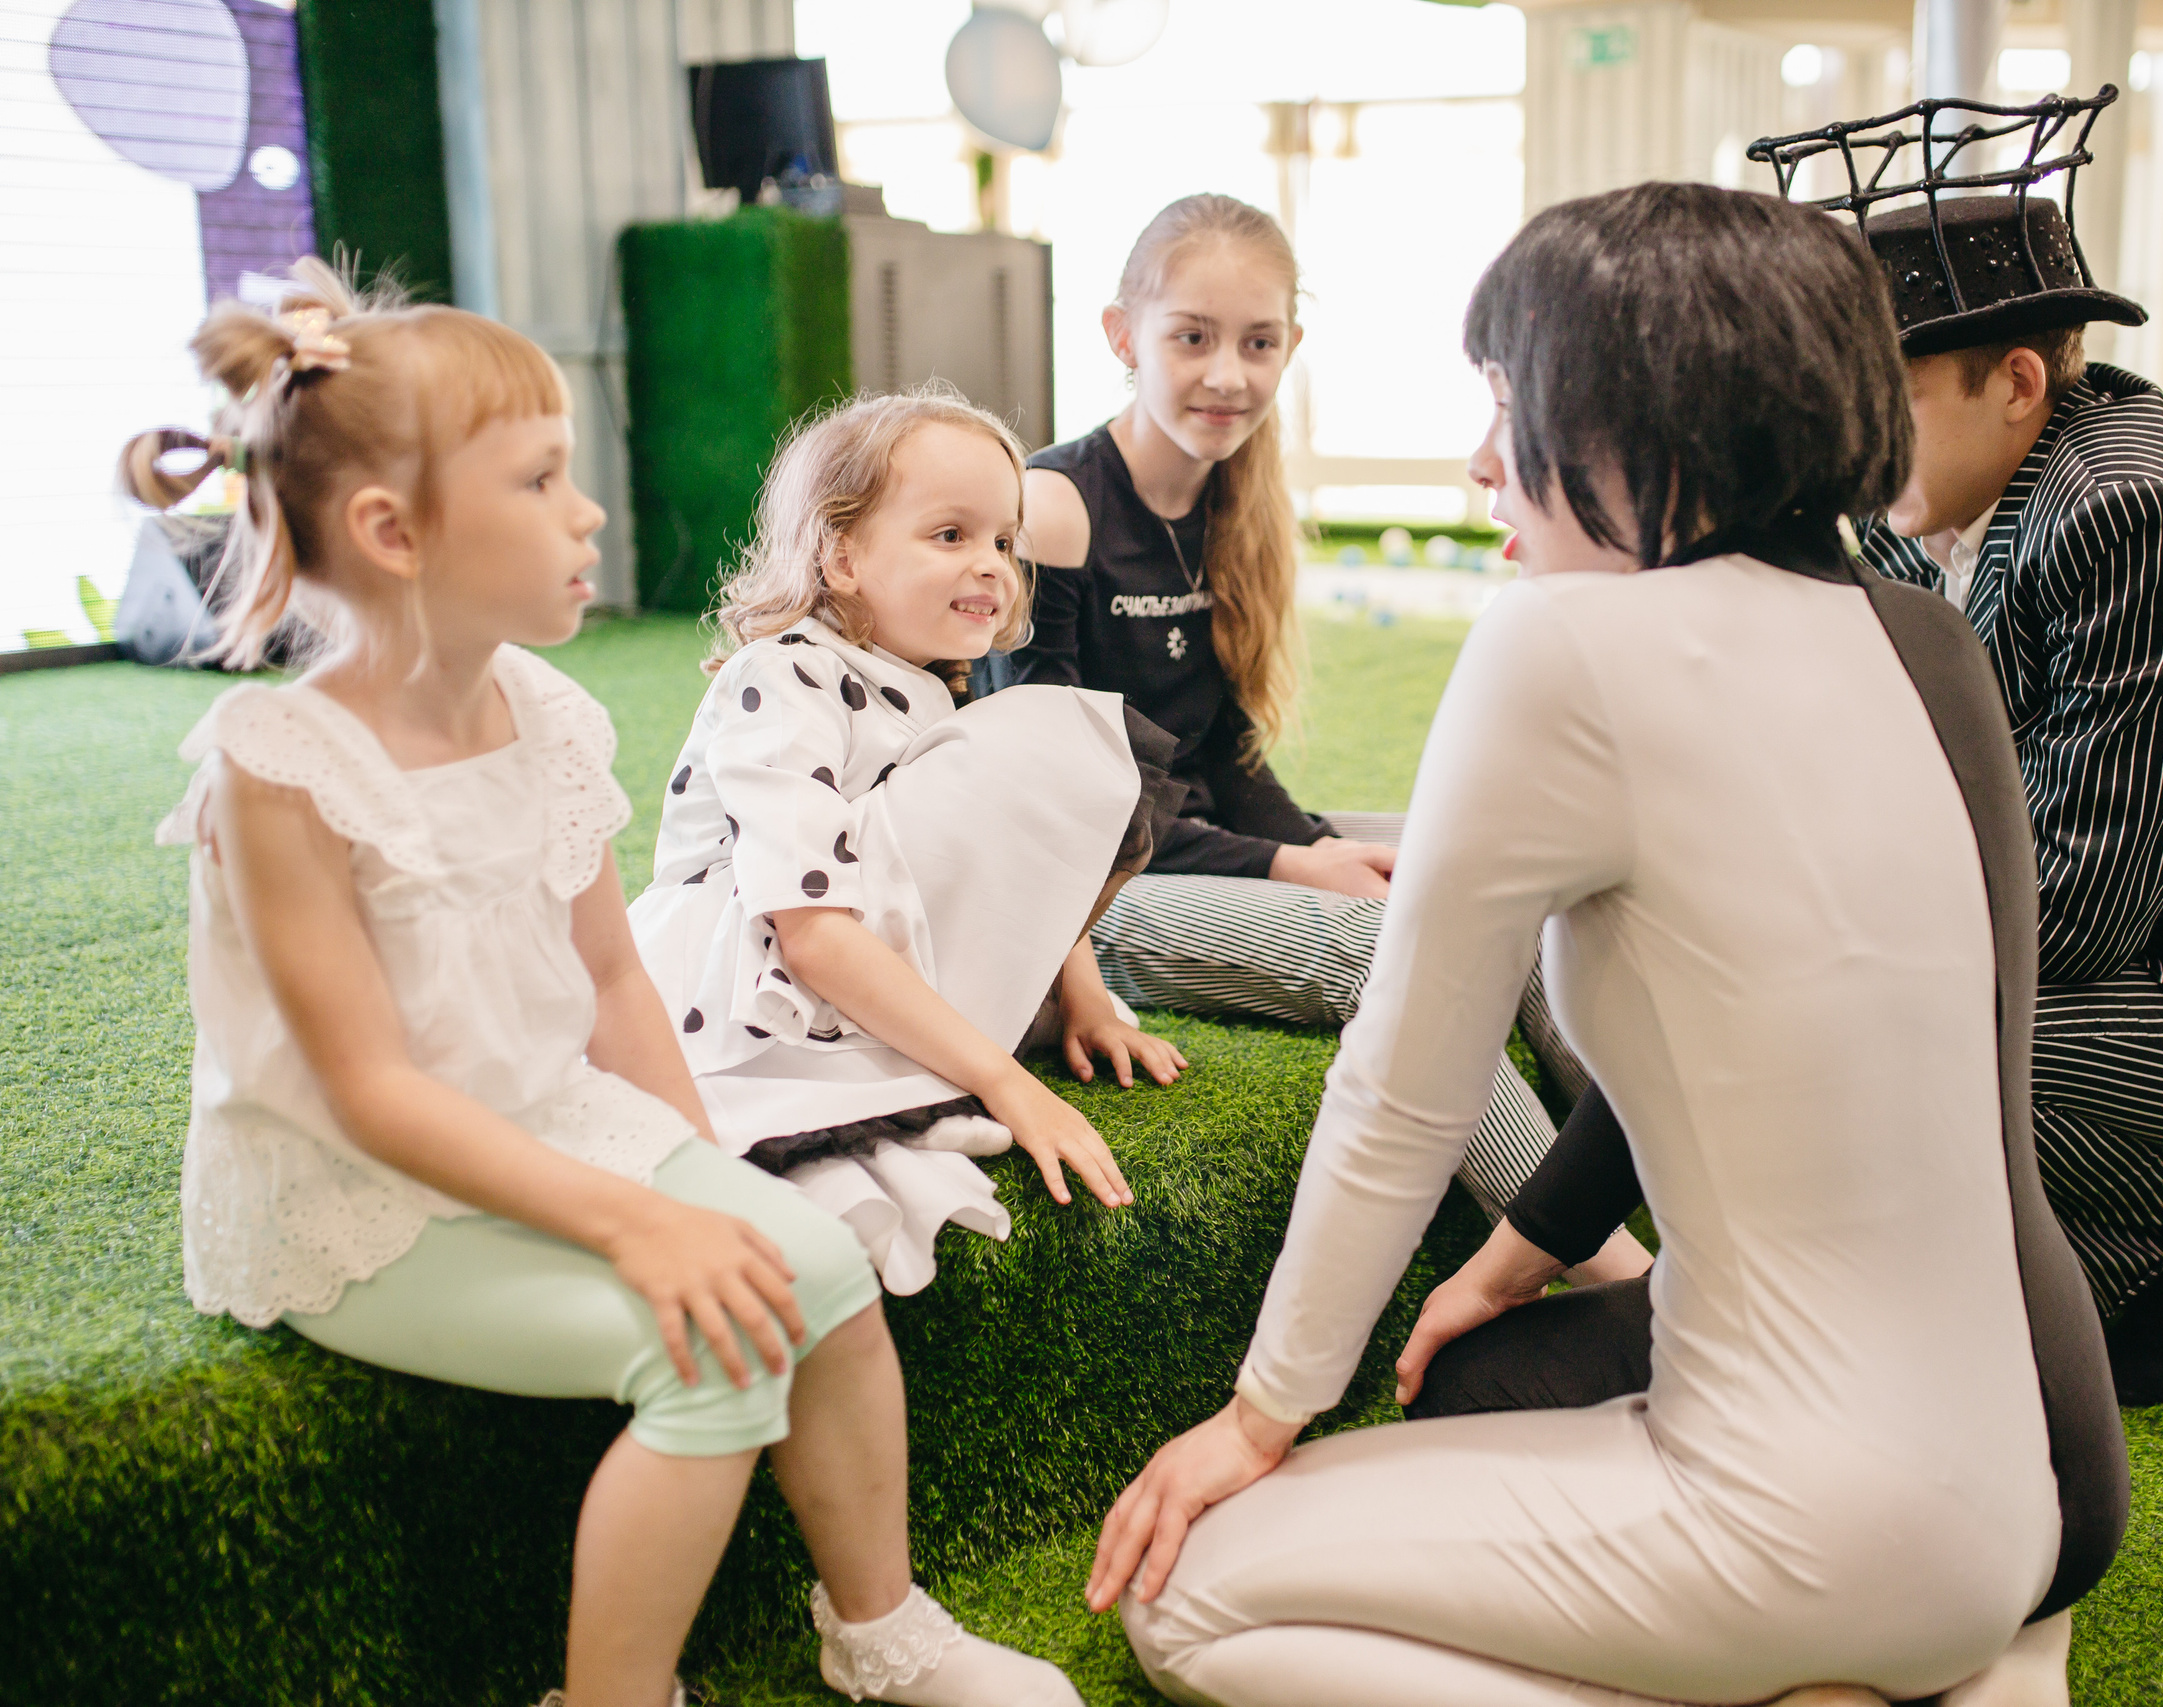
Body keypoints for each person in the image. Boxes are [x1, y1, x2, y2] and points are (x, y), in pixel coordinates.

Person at [1084, 184, 2126, 1707]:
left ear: (1653, 422)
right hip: (2015, 1517)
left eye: (1512, 405)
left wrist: (1258, 1416)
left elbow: (1403, 1095)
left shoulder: (1560, 643)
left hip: (1795, 1518)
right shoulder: (1922, 643)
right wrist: (1519, 1260)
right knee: (1502, 1414)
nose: (1483, 462)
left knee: (1194, 1601)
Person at [132, 261, 1078, 1707]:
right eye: (542, 481)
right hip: (361, 1190)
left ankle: (877, 1625)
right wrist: (642, 1219)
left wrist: (707, 1171)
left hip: (549, 1115)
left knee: (815, 1261)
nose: (589, 514)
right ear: (394, 530)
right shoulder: (282, 766)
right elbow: (371, 1093)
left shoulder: (547, 709)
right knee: (707, 1348)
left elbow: (612, 977)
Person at [1448, 137, 2163, 1411]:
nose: (1848, 440)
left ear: (2018, 381)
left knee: (1870, 1028)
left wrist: (1792, 954)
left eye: (1884, 397)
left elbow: (2071, 911)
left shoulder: (2132, 512)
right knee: (1759, 1003)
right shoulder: (1921, 507)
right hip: (2124, 984)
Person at [996, 192, 1645, 1275]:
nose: (1227, 375)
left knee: (1487, 897)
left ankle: (1663, 1171)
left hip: (1188, 851)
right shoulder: (1054, 505)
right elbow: (1052, 805)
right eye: (1190, 338)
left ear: (1291, 346)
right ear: (1122, 336)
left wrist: (1322, 850)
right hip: (1072, 902)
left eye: (1257, 343)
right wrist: (1290, 865)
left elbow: (1224, 757)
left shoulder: (1233, 504)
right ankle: (1603, 1269)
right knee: (1384, 950)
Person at [628, 386, 1185, 1295]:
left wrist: (1083, 996)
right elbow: (807, 928)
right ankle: (917, 1045)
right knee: (1045, 735)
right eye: (950, 535)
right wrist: (1003, 1079)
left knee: (1035, 740)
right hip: (758, 972)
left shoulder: (929, 683)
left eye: (1005, 541)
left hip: (852, 940)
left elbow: (1016, 855)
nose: (993, 566)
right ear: (841, 555)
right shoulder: (782, 676)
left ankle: (962, 1022)